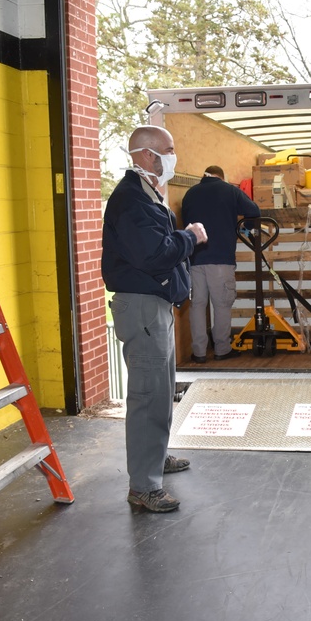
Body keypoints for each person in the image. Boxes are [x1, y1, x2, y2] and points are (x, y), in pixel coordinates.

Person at [102, 125, 208, 513]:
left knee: (162, 390)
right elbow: (153, 255)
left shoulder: (147, 195)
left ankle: (155, 457)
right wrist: (191, 236)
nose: (173, 157)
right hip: (142, 307)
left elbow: (155, 248)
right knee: (147, 396)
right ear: (147, 156)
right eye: (169, 150)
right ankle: (144, 486)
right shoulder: (132, 200)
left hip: (155, 306)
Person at [181, 165, 260, 363]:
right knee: (222, 304)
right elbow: (254, 211)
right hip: (221, 260)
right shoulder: (230, 191)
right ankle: (222, 349)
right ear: (222, 177)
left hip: (195, 259)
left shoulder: (190, 194)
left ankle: (199, 352)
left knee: (197, 305)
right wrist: (245, 229)